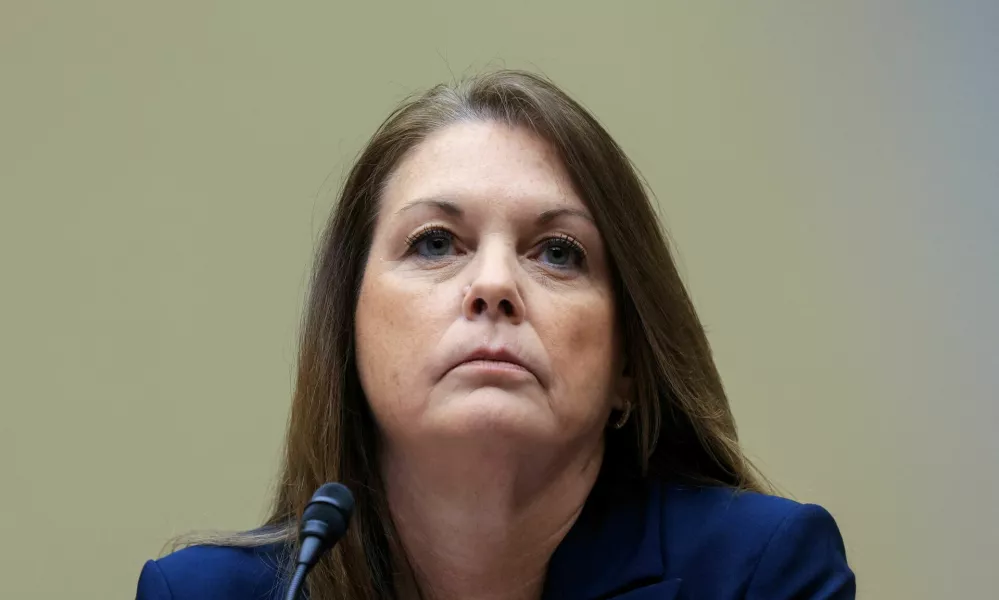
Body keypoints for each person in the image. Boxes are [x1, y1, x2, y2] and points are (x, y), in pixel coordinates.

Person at [136, 69, 855, 600]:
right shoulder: (198, 595)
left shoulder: (760, 572)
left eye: (557, 253)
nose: (494, 285)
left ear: (628, 366)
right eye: (435, 243)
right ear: (348, 334)